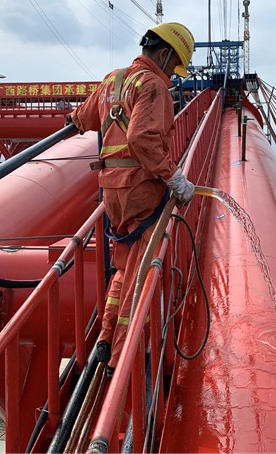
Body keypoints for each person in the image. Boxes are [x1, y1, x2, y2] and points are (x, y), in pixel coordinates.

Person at [67, 22, 196, 374]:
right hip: (141, 191)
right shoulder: (153, 85)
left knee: (125, 267)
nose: (173, 74)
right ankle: (124, 359)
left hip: (111, 190)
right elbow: (142, 139)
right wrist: (174, 177)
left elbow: (86, 117)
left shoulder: (116, 79)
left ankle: (106, 338)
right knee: (141, 275)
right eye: (174, 66)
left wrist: (72, 119)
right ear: (166, 53)